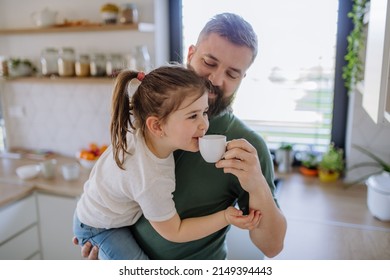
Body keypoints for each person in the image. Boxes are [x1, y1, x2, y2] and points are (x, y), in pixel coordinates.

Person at [76, 12, 287, 260]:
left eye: (232, 74)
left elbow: (272, 247)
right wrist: (94, 229)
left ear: (243, 78)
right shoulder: (150, 112)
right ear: (190, 54)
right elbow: (109, 179)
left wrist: (258, 185)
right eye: (209, 62)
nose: (216, 80)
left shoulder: (246, 147)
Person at [73, 65, 259, 260]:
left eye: (204, 112)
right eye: (192, 116)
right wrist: (225, 217)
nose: (204, 124)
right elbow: (175, 231)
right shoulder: (150, 178)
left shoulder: (141, 126)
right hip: (99, 228)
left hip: (92, 211)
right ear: (157, 126)